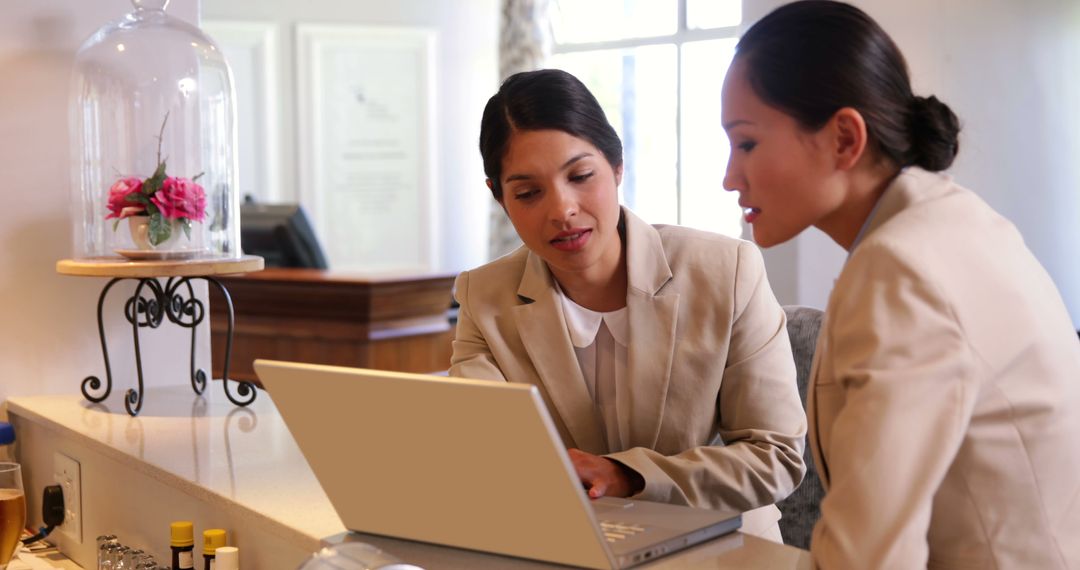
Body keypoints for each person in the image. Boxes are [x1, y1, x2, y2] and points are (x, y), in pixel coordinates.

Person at [721, 1, 1080, 567]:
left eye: (746, 144)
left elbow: (869, 558)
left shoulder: (901, 271)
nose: (729, 178)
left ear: (844, 138)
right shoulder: (956, 223)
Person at [450, 68, 807, 540]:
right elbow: (478, 446)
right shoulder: (484, 296)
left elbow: (774, 457)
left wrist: (628, 477)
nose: (562, 209)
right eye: (528, 193)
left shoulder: (727, 271)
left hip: (719, 543)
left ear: (618, 167)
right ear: (500, 197)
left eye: (580, 176)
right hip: (565, 543)